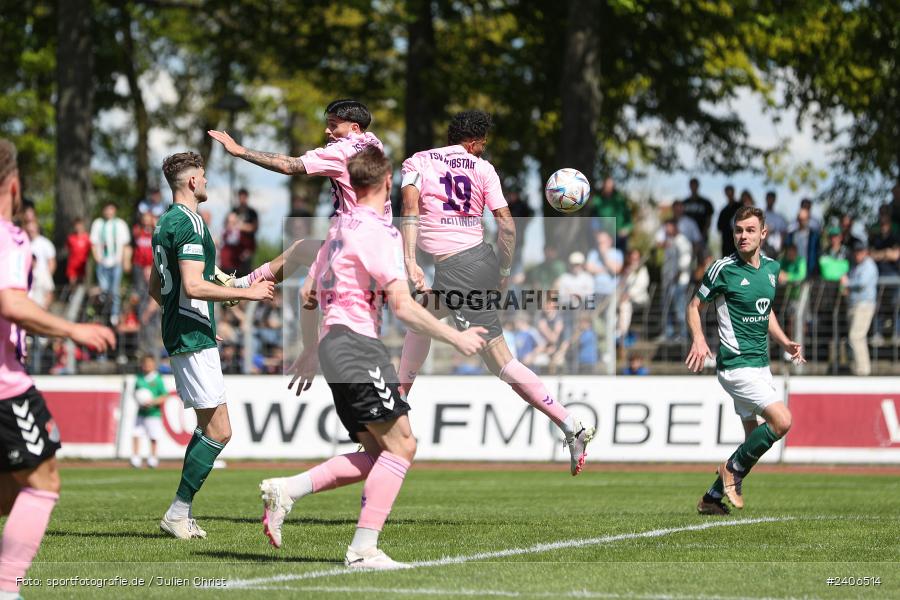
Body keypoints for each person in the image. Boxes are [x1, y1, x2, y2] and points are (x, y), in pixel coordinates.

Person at [258, 147, 486, 567]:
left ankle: (287, 490)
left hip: (334, 345)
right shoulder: (381, 232)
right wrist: (455, 337)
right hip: (357, 345)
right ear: (387, 183)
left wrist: (311, 347)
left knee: (380, 455)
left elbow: (308, 294)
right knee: (403, 447)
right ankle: (363, 549)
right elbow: (403, 307)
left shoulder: (337, 228)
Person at [397, 110, 595, 476]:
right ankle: (395, 408)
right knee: (418, 320)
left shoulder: (418, 161)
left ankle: (571, 424)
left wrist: (409, 260)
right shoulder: (483, 168)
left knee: (500, 360)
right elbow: (507, 226)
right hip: (475, 262)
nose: (483, 149)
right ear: (474, 143)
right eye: (483, 144)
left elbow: (409, 209)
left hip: (458, 269)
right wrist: (503, 270)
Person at [0, 139, 116, 599]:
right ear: (14, 185)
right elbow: (12, 303)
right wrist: (72, 329)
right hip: (4, 384)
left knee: (12, 491)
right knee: (42, 481)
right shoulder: (10, 237)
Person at [150, 151, 275, 540]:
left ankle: (180, 514)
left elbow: (156, 287)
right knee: (220, 431)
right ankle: (177, 512)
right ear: (192, 182)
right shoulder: (190, 223)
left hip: (188, 331)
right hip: (190, 336)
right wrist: (248, 293)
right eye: (203, 176)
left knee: (209, 427)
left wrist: (196, 317)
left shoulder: (163, 223)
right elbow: (192, 285)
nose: (206, 182)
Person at [687, 206, 805, 515]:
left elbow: (765, 311)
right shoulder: (722, 269)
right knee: (782, 421)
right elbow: (694, 306)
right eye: (738, 230)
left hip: (760, 365)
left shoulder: (771, 269)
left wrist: (785, 341)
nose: (743, 235)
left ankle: (712, 498)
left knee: (753, 441)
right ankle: (731, 469)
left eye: (750, 230)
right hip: (736, 366)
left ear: (763, 233)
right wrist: (698, 338)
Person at [209, 99, 387, 218]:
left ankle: (254, 270)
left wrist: (240, 151)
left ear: (355, 128)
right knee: (299, 250)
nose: (327, 130)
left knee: (301, 253)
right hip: (382, 229)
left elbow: (288, 165)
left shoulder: (339, 152)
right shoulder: (374, 143)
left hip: (355, 232)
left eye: (333, 125)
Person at [841, 240, 879, 376]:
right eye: (856, 252)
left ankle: (863, 370)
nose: (858, 254)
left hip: (864, 305)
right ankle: (859, 368)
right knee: (856, 337)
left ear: (865, 252)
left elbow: (862, 283)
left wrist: (847, 283)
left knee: (856, 337)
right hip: (854, 305)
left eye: (860, 252)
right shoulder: (856, 265)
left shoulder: (869, 265)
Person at [90, 202, 131, 325]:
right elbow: (93, 242)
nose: (109, 211)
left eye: (111, 209)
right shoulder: (98, 223)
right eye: (106, 209)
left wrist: (125, 260)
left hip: (116, 262)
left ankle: (114, 314)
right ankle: (103, 312)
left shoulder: (120, 224)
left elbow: (126, 244)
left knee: (115, 290)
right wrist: (97, 258)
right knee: (104, 289)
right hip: (103, 261)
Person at [131, 355, 167, 469]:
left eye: (150, 363)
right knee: (136, 434)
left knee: (153, 436)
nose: (147, 366)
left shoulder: (157, 379)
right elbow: (135, 393)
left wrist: (152, 402)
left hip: (153, 413)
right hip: (141, 412)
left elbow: (164, 396)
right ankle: (136, 458)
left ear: (154, 364)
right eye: (145, 363)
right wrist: (140, 402)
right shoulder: (139, 378)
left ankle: (153, 458)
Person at [658, 219, 692, 340]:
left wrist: (676, 276)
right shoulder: (670, 242)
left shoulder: (682, 241)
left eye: (669, 227)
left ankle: (683, 334)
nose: (666, 230)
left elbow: (685, 261)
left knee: (679, 308)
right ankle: (668, 334)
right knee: (666, 308)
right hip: (668, 281)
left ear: (675, 227)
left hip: (679, 281)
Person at [590, 177, 633, 251]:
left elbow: (628, 220)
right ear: (603, 186)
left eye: (610, 186)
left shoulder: (620, 200)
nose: (608, 188)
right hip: (603, 237)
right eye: (606, 186)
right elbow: (594, 219)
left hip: (619, 238)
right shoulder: (597, 200)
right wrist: (597, 233)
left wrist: (626, 229)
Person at [24, 221, 55, 310]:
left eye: (32, 230)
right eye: (28, 230)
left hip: (42, 275)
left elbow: (52, 262)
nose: (30, 232)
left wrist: (46, 277)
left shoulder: (45, 243)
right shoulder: (25, 242)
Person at [233, 188, 258, 274]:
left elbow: (254, 227)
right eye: (240, 197)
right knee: (235, 272)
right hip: (235, 247)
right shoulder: (234, 211)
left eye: (244, 197)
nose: (242, 199)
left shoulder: (252, 212)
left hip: (248, 247)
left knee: (247, 270)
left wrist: (240, 226)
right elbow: (229, 225)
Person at [682, 177, 714, 243]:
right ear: (689, 186)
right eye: (692, 185)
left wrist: (704, 233)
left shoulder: (706, 203)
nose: (693, 187)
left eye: (695, 185)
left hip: (702, 236)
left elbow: (709, 219)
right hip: (686, 237)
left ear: (698, 186)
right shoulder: (684, 203)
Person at [65, 217, 91, 285]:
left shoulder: (87, 237)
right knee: (72, 283)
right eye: (76, 225)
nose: (78, 227)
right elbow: (68, 249)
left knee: (81, 283)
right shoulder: (70, 238)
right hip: (72, 265)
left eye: (80, 225)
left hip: (83, 264)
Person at [716, 184, 740, 257]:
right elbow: (719, 227)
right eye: (727, 192)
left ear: (734, 192)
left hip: (739, 242)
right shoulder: (724, 211)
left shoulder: (741, 207)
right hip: (727, 244)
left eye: (730, 192)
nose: (729, 194)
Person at [763, 191, 788, 257]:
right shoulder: (761, 214)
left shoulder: (779, 217)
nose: (770, 201)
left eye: (772, 199)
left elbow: (784, 233)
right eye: (769, 198)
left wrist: (781, 246)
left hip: (775, 249)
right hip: (762, 247)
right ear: (766, 199)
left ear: (775, 200)